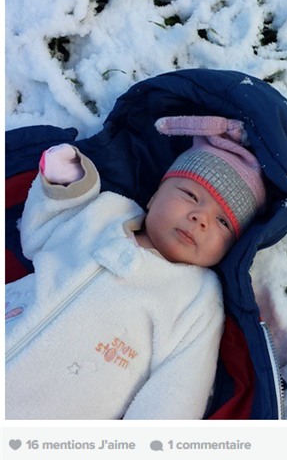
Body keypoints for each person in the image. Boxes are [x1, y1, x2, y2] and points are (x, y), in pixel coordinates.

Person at [5, 115, 266, 419]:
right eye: (190, 195)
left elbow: (177, 391)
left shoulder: (198, 298)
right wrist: (66, 184)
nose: (200, 218)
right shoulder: (105, 212)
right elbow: (41, 234)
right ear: (154, 196)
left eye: (223, 222)